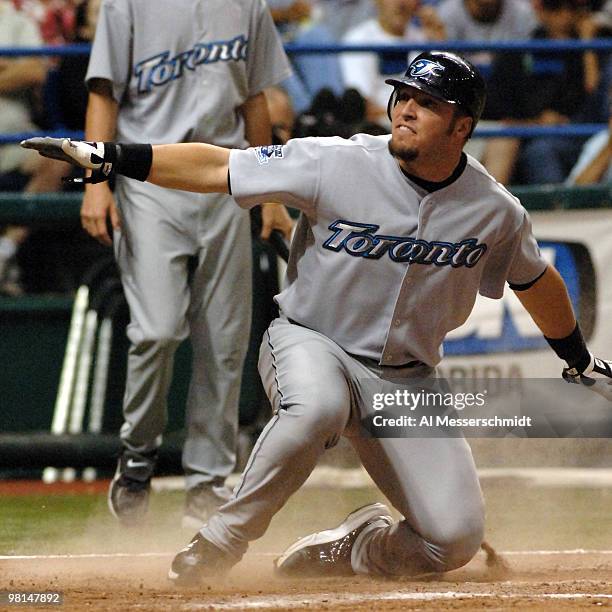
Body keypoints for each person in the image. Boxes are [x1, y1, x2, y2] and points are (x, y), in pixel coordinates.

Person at [22, 51, 612, 583]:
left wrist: (577, 360)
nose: (405, 109)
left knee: (451, 541)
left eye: (427, 104)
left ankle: (355, 547)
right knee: (318, 408)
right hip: (312, 341)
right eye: (402, 95)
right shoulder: (337, 161)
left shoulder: (495, 210)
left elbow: (535, 280)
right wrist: (112, 156)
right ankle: (218, 543)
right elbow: (216, 167)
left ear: (462, 127)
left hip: (407, 378)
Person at [81, 0, 293, 529]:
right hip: (149, 177)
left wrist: (268, 190)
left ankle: (207, 480)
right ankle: (137, 455)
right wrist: (97, 181)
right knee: (155, 329)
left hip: (224, 177)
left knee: (224, 341)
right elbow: (103, 94)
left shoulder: (247, 5)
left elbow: (254, 98)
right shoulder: (125, 4)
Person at [340, 0, 445, 124]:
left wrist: (440, 45)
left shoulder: (426, 41)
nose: (401, 3)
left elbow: (441, 102)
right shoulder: (357, 41)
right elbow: (362, 104)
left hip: (419, 127)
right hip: (376, 130)